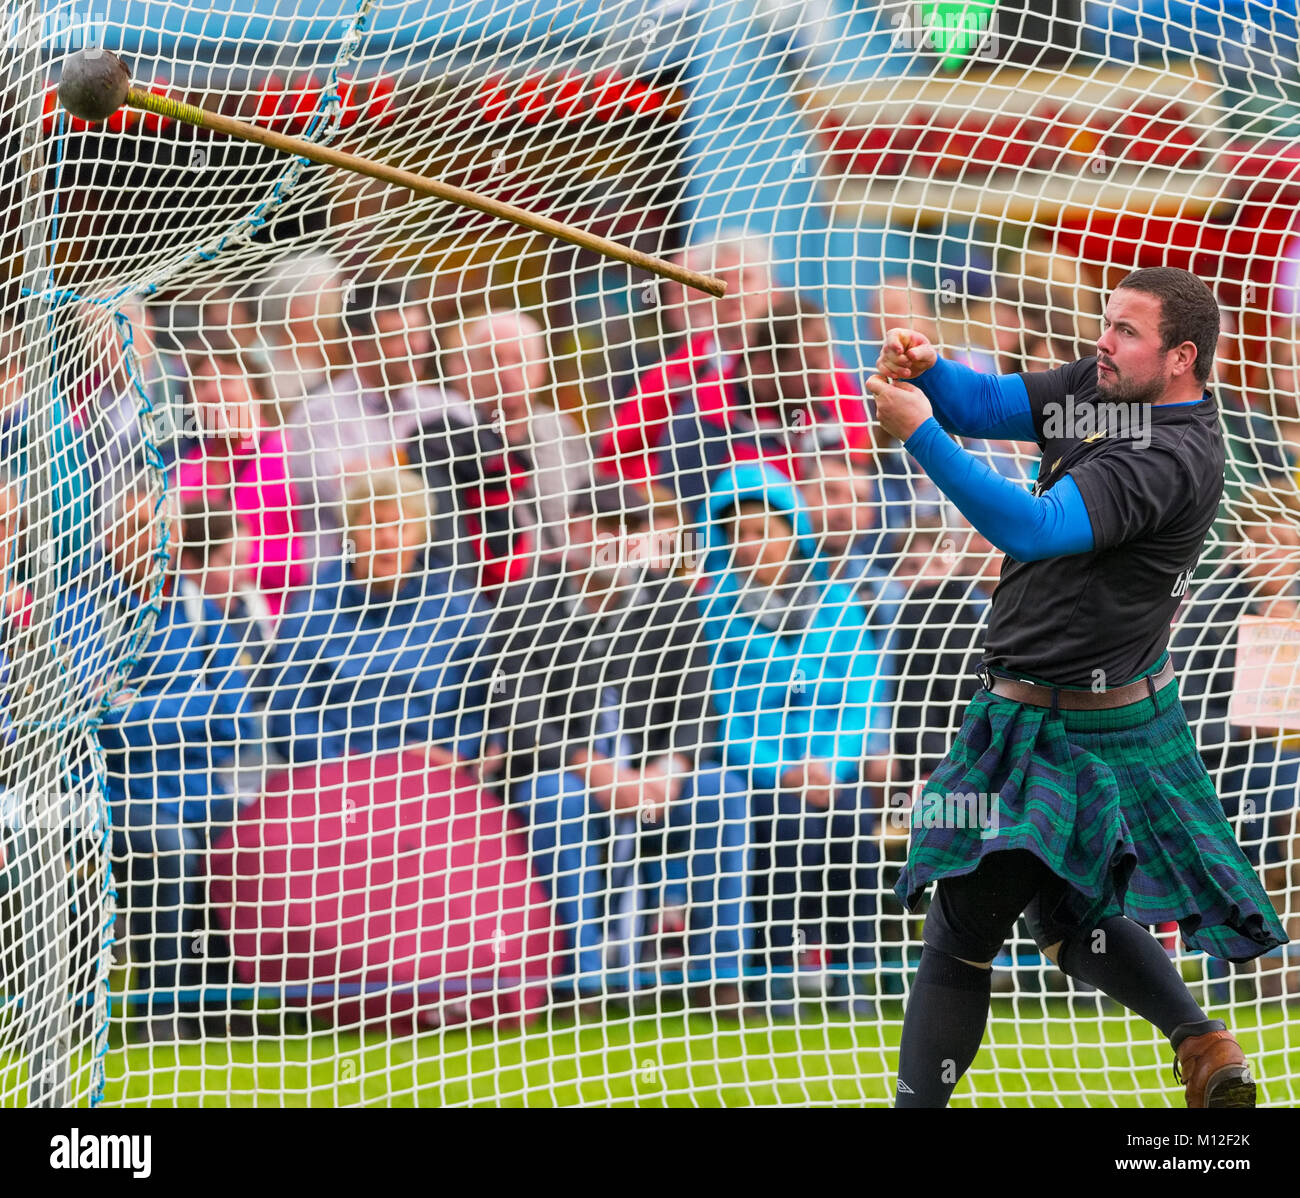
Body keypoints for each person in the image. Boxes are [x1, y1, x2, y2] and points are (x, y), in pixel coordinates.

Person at [867, 265, 1288, 1108]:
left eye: (1127, 331)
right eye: (1108, 321)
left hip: (1059, 726)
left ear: (1181, 358)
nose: (1104, 339)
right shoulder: (1105, 391)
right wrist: (931, 369)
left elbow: (1035, 525)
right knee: (1065, 913)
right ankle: (1204, 1046)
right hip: (1082, 711)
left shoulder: (1167, 454)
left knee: (959, 933)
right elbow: (989, 408)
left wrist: (920, 434)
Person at [483, 483, 750, 1009]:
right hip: (567, 774)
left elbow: (699, 705)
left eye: (627, 527)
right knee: (554, 798)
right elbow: (518, 714)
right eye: (598, 524)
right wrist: (593, 769)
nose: (612, 538)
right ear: (572, 530)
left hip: (655, 777)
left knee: (723, 791)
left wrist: (669, 769)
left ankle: (720, 977)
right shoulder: (523, 602)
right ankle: (584, 982)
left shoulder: (673, 601)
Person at [698, 461, 893, 1014]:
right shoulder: (714, 616)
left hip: (834, 773)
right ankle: (777, 976)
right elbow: (724, 716)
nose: (753, 545)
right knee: (786, 829)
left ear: (793, 531)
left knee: (854, 826)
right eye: (739, 536)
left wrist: (830, 764)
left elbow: (862, 698)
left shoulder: (840, 605)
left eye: (765, 531)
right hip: (765, 775)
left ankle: (857, 975)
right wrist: (779, 769)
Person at [97, 486, 257, 1042]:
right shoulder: (87, 609)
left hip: (197, 787)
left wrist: (152, 709)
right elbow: (106, 725)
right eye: (142, 531)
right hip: (114, 795)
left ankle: (232, 1006)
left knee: (258, 838)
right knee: (171, 845)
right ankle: (156, 1011)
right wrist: (198, 707)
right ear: (114, 539)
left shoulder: (196, 604)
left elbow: (239, 719)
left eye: (166, 533)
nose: (156, 545)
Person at [264, 467, 490, 771]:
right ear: (350, 533)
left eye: (401, 526)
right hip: (338, 782)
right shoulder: (311, 612)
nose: (387, 538)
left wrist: (457, 753)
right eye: (375, 525)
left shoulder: (457, 607)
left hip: (434, 778)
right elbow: (289, 716)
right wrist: (348, 765)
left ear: (421, 535)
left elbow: (483, 703)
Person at [412, 309, 589, 593]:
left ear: (541, 367)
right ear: (470, 368)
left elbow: (589, 506)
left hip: (568, 593)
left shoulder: (562, 430)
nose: (506, 373)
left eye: (520, 360)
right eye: (492, 360)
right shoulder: (445, 441)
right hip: (485, 597)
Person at [286, 279, 466, 556]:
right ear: (358, 346)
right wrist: (416, 459)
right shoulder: (317, 416)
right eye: (396, 336)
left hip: (434, 579)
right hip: (344, 585)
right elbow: (350, 501)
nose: (415, 346)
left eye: (419, 332)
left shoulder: (448, 407)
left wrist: (376, 467)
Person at [653, 294, 873, 511]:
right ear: (765, 363)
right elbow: (683, 517)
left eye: (827, 366)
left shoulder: (820, 404)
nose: (823, 381)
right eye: (808, 370)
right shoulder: (706, 418)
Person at [174, 344, 307, 620]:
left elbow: (310, 548)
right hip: (202, 621)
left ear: (256, 390)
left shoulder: (291, 453)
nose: (213, 392)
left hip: (283, 620)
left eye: (226, 378)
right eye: (200, 384)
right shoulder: (185, 472)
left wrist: (235, 566)